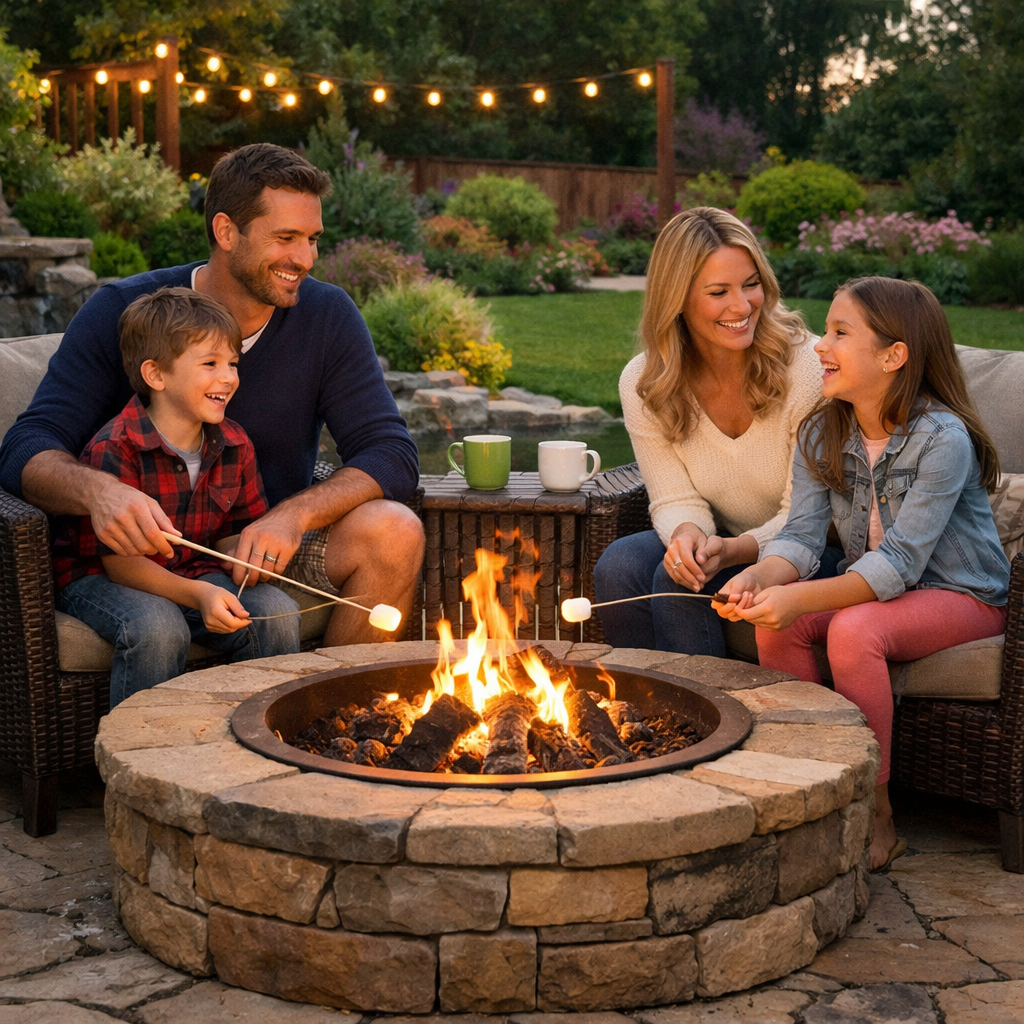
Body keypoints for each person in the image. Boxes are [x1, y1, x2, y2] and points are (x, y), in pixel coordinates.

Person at [0, 143, 424, 649]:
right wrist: (100, 493)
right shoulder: (125, 311)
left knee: (396, 530)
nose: (305, 258)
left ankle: (332, 712)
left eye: (312, 239)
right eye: (285, 238)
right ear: (226, 231)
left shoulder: (327, 316)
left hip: (261, 548)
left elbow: (392, 453)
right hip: (144, 559)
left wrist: (293, 517)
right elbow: (26, 447)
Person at [715, 277, 1010, 870]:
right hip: (878, 591)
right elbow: (799, 536)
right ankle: (808, 784)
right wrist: (762, 578)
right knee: (777, 627)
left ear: (893, 355)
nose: (821, 346)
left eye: (839, 333)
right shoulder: (823, 431)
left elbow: (900, 564)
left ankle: (875, 812)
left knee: (853, 630)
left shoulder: (942, 439)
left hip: (964, 595)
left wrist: (801, 598)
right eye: (827, 331)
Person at [593, 207, 839, 655]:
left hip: (813, 548)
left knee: (675, 581)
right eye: (718, 292)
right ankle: (639, 708)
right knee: (620, 564)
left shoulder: (806, 371)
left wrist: (731, 551)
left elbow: (808, 517)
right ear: (677, 299)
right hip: (724, 536)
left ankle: (707, 717)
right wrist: (687, 533)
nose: (742, 306)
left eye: (751, 284)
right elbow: (672, 496)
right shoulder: (645, 381)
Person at [52, 288, 301, 705]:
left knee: (275, 611)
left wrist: (249, 559)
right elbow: (123, 566)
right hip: (102, 576)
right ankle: (141, 752)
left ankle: (255, 740)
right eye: (210, 364)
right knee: (158, 628)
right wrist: (201, 595)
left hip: (191, 568)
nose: (228, 377)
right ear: (156, 375)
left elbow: (230, 537)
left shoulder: (235, 444)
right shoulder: (115, 448)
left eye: (233, 364)